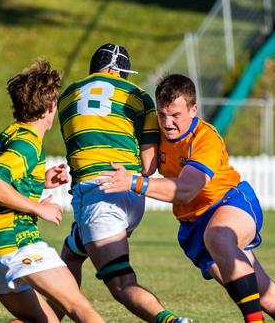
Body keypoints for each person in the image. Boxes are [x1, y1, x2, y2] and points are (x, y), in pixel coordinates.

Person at [98, 74, 275, 323]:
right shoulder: (156, 130)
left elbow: (186, 189)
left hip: (229, 202)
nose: (168, 123)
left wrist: (134, 183)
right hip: (193, 226)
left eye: (175, 115)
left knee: (218, 236)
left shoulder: (206, 139)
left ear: (194, 110)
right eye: (162, 115)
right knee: (267, 298)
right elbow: (148, 167)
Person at [56, 44, 191, 323]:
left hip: (98, 193)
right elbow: (148, 166)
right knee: (71, 253)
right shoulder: (139, 96)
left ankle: (170, 321)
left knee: (121, 284)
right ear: (123, 73)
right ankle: (49, 317)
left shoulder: (69, 95)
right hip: (130, 192)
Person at [0, 59, 104, 323]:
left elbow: (7, 179)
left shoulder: (10, 134)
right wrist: (37, 207)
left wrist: (40, 181)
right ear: (51, 106)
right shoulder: (27, 144)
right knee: (80, 308)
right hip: (15, 242)